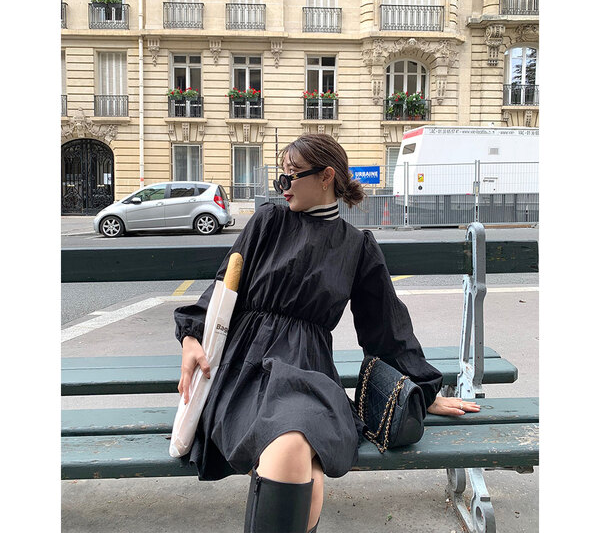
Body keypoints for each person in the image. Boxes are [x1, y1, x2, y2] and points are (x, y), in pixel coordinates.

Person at [174, 134, 479, 533]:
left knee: (298, 454)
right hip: (246, 367)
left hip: (308, 369)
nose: (282, 186)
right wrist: (191, 337)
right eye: (281, 177)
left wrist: (424, 390)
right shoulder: (269, 221)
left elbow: (386, 327)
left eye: (291, 177)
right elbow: (224, 285)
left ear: (326, 176)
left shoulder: (357, 246)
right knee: (298, 455)